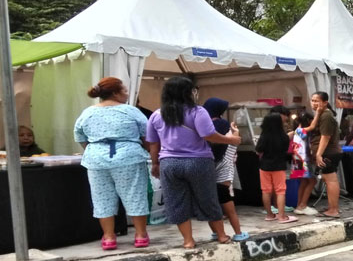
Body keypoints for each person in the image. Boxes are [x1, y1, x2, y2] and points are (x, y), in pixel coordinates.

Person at [146, 76, 241, 249]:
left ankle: (188, 241)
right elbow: (209, 135)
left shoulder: (157, 115)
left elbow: (153, 143)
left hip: (169, 163)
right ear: (188, 92)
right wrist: (231, 140)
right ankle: (221, 236)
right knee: (208, 198)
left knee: (176, 201)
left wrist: (155, 164)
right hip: (199, 162)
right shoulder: (197, 111)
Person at [74, 77, 150, 250]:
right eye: (124, 90)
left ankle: (109, 237)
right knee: (135, 195)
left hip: (96, 160)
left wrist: (94, 149)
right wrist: (145, 149)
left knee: (102, 198)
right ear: (115, 93)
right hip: (128, 158)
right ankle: (140, 235)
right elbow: (147, 134)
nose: (127, 94)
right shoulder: (131, 111)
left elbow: (79, 136)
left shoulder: (88, 112)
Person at [202, 98, 249, 241]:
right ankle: (238, 233)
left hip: (207, 172)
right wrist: (235, 131)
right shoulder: (227, 134)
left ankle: (216, 233)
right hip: (224, 175)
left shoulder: (204, 128)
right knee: (229, 208)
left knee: (211, 206)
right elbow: (235, 142)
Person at [255, 113, 298, 223]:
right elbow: (286, 148)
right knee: (280, 191)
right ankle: (282, 217)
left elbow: (258, 151)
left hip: (264, 166)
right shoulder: (283, 137)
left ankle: (270, 215)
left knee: (265, 190)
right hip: (278, 166)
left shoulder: (264, 136)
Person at [309, 92, 342, 218]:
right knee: (328, 180)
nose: (314, 103)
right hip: (328, 152)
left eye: (317, 101)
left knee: (330, 180)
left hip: (328, 153)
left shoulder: (326, 116)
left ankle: (333, 210)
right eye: (312, 100)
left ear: (325, 102)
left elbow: (325, 136)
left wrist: (319, 154)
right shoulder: (322, 114)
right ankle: (332, 207)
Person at [291, 112, 319, 216]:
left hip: (299, 160)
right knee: (312, 181)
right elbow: (312, 127)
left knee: (304, 182)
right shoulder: (300, 130)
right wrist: (318, 113)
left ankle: (299, 205)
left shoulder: (298, 130)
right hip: (302, 161)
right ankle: (302, 205)